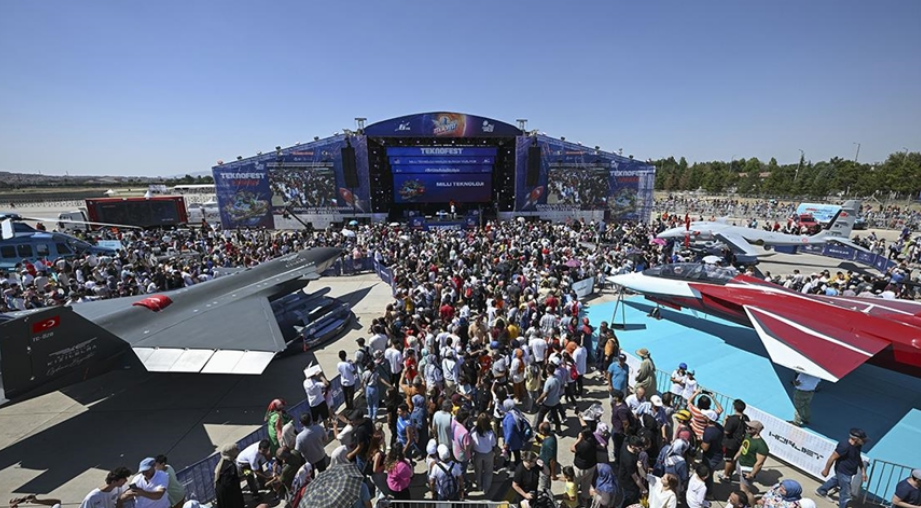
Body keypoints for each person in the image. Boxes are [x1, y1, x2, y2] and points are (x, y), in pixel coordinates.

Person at [816, 428, 868, 508]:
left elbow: (858, 458)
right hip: (843, 471)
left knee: (836, 480)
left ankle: (821, 491)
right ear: (856, 439)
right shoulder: (844, 446)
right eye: (863, 440)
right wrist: (826, 470)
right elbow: (832, 458)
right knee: (846, 492)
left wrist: (863, 472)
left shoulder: (858, 446)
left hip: (848, 471)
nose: (865, 442)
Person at [735, 421, 770, 507]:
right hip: (741, 463)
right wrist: (737, 456)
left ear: (757, 430)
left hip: (748, 468)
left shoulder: (761, 445)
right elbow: (743, 446)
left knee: (745, 491)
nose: (747, 429)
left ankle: (751, 504)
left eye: (750, 428)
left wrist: (752, 474)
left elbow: (759, 463)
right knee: (742, 487)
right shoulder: (748, 436)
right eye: (747, 427)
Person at [720, 399, 749, 483]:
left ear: (734, 408)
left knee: (729, 459)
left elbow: (726, 431)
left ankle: (725, 475)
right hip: (740, 442)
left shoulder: (732, 419)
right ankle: (730, 474)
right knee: (734, 459)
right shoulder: (746, 418)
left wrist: (725, 421)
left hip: (730, 443)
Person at [571, 427, 599, 507]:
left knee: (574, 482)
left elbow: (572, 448)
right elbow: (585, 426)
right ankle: (585, 501)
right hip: (591, 466)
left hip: (580, 467)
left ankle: (574, 498)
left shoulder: (583, 444)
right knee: (586, 484)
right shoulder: (593, 439)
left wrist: (579, 439)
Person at [471, 413, 498, 493]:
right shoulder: (490, 433)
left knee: (478, 470)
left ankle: (479, 485)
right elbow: (493, 444)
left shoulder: (473, 431)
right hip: (488, 453)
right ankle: (486, 488)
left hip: (477, 453)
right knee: (488, 471)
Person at [534, 364, 564, 433]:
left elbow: (545, 393)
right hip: (556, 400)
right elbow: (562, 386)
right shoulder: (558, 377)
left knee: (541, 414)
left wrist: (539, 400)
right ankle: (558, 429)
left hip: (548, 402)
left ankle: (537, 428)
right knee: (555, 415)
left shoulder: (549, 381)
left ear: (547, 371)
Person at [618, 436, 646, 508]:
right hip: (628, 483)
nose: (641, 450)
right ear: (633, 446)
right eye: (639, 448)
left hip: (622, 476)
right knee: (627, 500)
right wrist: (643, 489)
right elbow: (635, 478)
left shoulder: (625, 444)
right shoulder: (629, 460)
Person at [536, 422, 559, 491]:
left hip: (545, 467)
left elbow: (552, 460)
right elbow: (544, 441)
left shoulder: (549, 444)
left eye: (539, 430)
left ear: (543, 431)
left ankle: (547, 497)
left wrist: (553, 474)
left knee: (544, 487)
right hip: (543, 464)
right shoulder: (551, 436)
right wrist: (539, 440)